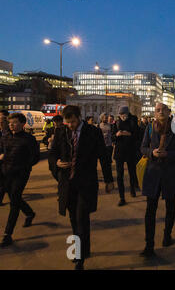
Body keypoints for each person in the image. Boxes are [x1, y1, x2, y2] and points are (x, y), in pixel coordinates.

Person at [49, 105, 106, 270]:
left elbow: (102, 155)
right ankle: (83, 248)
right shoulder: (61, 131)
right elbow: (53, 154)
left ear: (79, 117)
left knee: (81, 217)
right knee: (74, 219)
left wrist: (109, 180)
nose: (70, 125)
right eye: (68, 122)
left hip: (85, 182)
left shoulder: (92, 132)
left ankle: (79, 257)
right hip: (67, 183)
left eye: (73, 121)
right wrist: (57, 163)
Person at [140, 102, 175, 257]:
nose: (160, 112)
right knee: (150, 210)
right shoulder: (149, 128)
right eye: (157, 110)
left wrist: (169, 155)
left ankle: (167, 235)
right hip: (152, 173)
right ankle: (149, 244)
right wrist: (151, 153)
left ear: (169, 112)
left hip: (170, 172)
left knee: (170, 206)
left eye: (163, 110)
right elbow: (142, 148)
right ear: (154, 113)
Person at [0, 113, 40, 247]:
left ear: (23, 124)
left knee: (14, 200)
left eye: (15, 122)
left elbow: (35, 157)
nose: (11, 124)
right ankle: (30, 213)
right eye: (10, 122)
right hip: (6, 172)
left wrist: (25, 165)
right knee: (13, 197)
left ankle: (7, 234)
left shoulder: (29, 139)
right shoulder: (5, 136)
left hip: (20, 173)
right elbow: (1, 149)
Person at [114, 106, 140, 206]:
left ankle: (132, 189)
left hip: (130, 151)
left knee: (132, 172)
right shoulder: (116, 123)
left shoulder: (133, 121)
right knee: (119, 175)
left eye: (123, 114)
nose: (122, 116)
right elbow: (113, 137)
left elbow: (138, 135)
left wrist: (129, 134)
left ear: (127, 114)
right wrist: (117, 135)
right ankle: (122, 197)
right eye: (120, 115)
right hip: (119, 152)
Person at [98, 113, 115, 193]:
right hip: (101, 147)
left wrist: (113, 142)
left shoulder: (110, 126)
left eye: (106, 117)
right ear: (101, 118)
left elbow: (113, 135)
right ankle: (108, 181)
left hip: (108, 146)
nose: (106, 118)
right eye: (104, 117)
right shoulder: (98, 126)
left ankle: (109, 182)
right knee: (104, 165)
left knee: (107, 164)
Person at [47, 115, 65, 181]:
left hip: (60, 152)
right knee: (52, 168)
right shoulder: (51, 129)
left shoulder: (65, 129)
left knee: (60, 171)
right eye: (54, 122)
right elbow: (45, 138)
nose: (56, 123)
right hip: (51, 150)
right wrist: (47, 140)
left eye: (57, 122)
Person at [0, 110, 10, 206]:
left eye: (2, 120)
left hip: (7, 162)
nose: (1, 123)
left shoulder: (10, 132)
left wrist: (5, 154)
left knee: (3, 182)